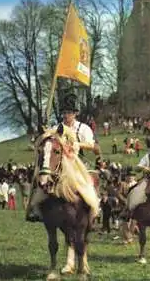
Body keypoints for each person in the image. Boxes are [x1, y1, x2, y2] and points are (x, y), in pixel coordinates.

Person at [26, 92, 101, 222]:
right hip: (58, 165)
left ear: (75, 113)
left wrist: (78, 144)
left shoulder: (83, 128)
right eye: (64, 112)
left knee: (86, 185)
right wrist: (44, 132)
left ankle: (94, 208)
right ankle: (34, 209)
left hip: (77, 164)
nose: (66, 115)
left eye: (69, 112)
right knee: (41, 179)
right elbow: (47, 141)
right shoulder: (56, 128)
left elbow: (92, 145)